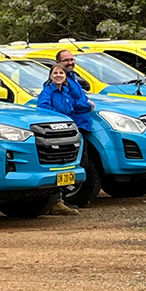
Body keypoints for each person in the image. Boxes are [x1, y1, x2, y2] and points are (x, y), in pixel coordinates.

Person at [33, 60, 93, 212]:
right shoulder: (47, 92)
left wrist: (89, 105)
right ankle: (54, 202)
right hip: (54, 133)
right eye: (55, 73)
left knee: (68, 165)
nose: (58, 76)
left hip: (67, 131)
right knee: (57, 166)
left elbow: (74, 105)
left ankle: (58, 200)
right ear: (50, 76)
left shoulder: (65, 91)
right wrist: (58, 118)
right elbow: (43, 109)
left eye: (61, 73)